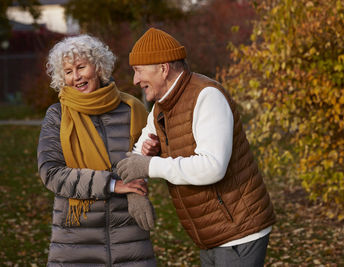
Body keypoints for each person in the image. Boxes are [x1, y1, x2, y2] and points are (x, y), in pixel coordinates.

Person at [116, 28, 276, 267]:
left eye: (139, 70)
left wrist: (151, 166)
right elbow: (138, 155)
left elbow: (213, 167)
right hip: (209, 232)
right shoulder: (161, 107)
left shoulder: (207, 96)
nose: (135, 80)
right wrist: (134, 190)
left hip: (239, 230)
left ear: (163, 68)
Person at [37, 34, 157, 266]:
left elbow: (145, 158)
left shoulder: (132, 109)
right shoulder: (58, 115)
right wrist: (113, 184)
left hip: (129, 234)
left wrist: (152, 154)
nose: (76, 77)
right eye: (68, 71)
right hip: (76, 240)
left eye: (81, 67)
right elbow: (51, 173)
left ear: (99, 67)